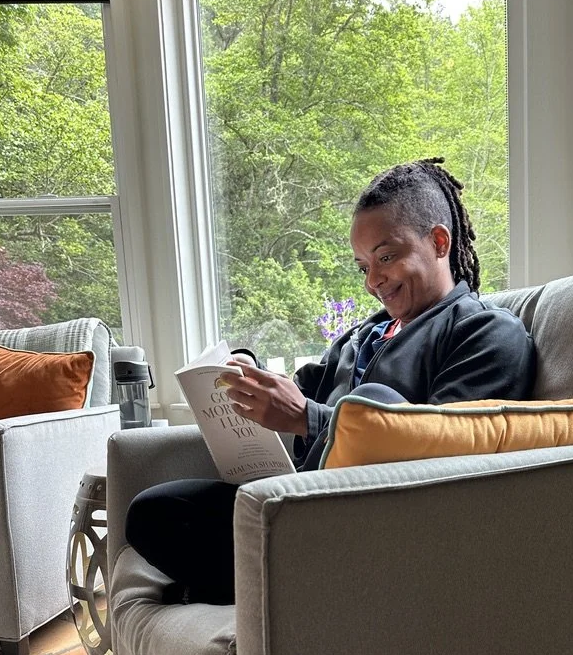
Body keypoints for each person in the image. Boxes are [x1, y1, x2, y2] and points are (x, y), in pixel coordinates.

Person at [126, 157, 536, 604]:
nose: (373, 281)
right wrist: (248, 375)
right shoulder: (362, 336)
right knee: (154, 511)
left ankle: (260, 585)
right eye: (363, 266)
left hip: (374, 526)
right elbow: (300, 391)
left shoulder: (488, 332)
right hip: (295, 506)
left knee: (376, 398)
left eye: (386, 257)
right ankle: (268, 585)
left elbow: (444, 445)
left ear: (438, 242)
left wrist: (309, 418)